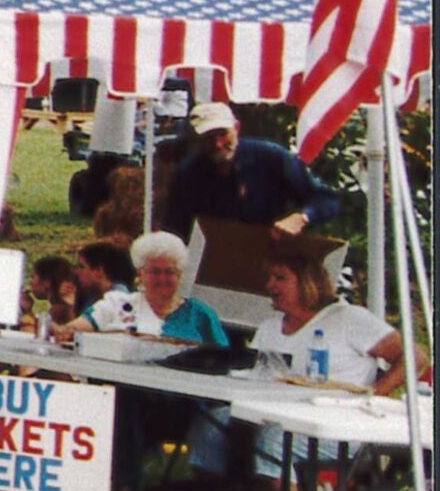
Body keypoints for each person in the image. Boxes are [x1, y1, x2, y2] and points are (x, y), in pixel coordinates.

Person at [161, 102, 341, 238]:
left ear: (237, 128)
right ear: (197, 139)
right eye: (208, 138)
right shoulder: (188, 173)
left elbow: (327, 200)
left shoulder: (272, 157)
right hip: (215, 262)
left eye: (223, 134)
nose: (218, 144)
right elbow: (174, 228)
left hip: (272, 256)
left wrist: (301, 218)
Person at [253, 243, 404, 391]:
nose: (269, 285)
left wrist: (375, 393)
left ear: (307, 282)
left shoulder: (349, 318)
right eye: (269, 278)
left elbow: (414, 358)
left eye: (280, 278)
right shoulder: (268, 328)